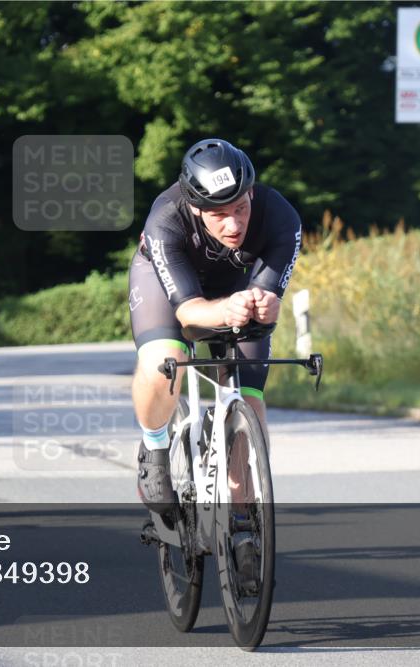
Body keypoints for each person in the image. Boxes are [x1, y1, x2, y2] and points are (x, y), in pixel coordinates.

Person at [128, 138, 301, 515]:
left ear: (251, 191)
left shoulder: (281, 217)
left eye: (240, 208)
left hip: (233, 287)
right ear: (195, 207)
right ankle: (154, 446)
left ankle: (244, 519)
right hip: (168, 286)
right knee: (162, 364)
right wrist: (227, 310)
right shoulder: (166, 219)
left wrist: (266, 306)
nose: (234, 224)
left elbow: (265, 298)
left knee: (250, 401)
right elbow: (189, 312)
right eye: (219, 215)